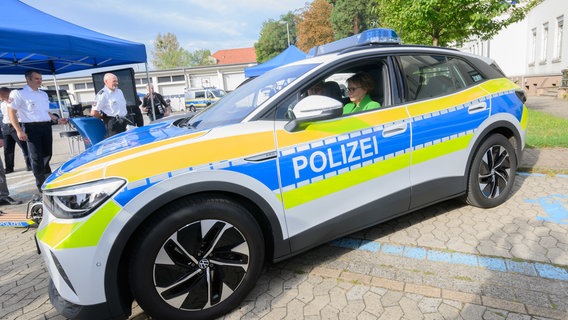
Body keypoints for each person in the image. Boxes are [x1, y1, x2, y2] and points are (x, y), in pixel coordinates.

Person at [7, 70, 68, 193]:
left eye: (40, 78)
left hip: (45, 127)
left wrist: (56, 119)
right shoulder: (19, 94)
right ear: (28, 79)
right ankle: (41, 185)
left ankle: (48, 181)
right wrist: (19, 130)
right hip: (31, 128)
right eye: (36, 79)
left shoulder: (43, 94)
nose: (40, 81)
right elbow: (11, 112)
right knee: (36, 158)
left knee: (47, 155)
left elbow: (46, 112)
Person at [0, 87, 31, 173]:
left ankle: (30, 164)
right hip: (6, 127)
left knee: (24, 146)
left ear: (3, 94)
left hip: (16, 127)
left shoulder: (16, 101)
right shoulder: (2, 104)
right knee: (7, 149)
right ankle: (9, 167)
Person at [91, 73, 129, 137]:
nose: (117, 83)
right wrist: (104, 118)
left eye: (117, 81)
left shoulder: (119, 91)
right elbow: (93, 113)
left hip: (124, 121)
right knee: (116, 144)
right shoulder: (102, 94)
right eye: (114, 81)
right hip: (113, 124)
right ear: (106, 81)